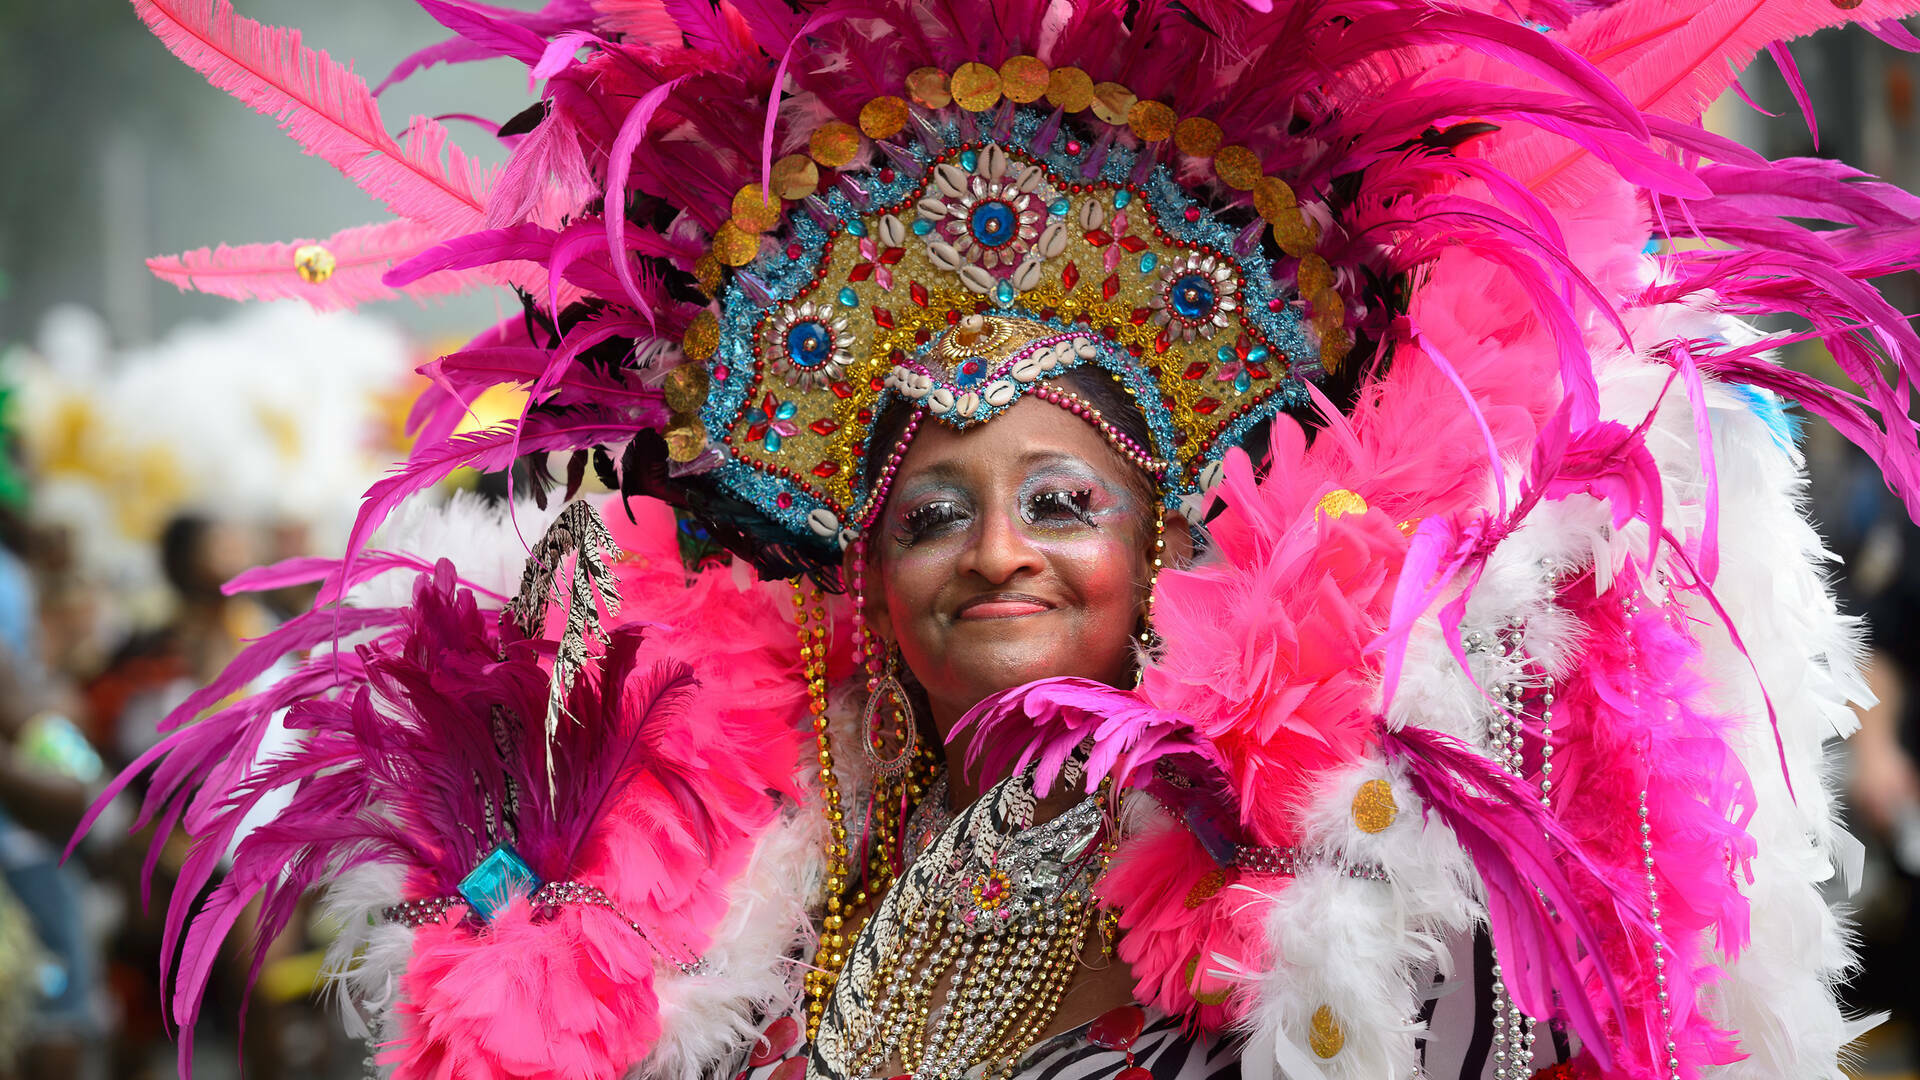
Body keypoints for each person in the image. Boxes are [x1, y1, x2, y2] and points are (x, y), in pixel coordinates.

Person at [88, 1, 1920, 1079]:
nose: (997, 555)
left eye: (1062, 503)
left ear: (1169, 539)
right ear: (860, 578)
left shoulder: (1323, 846)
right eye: (932, 516)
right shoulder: (775, 863)